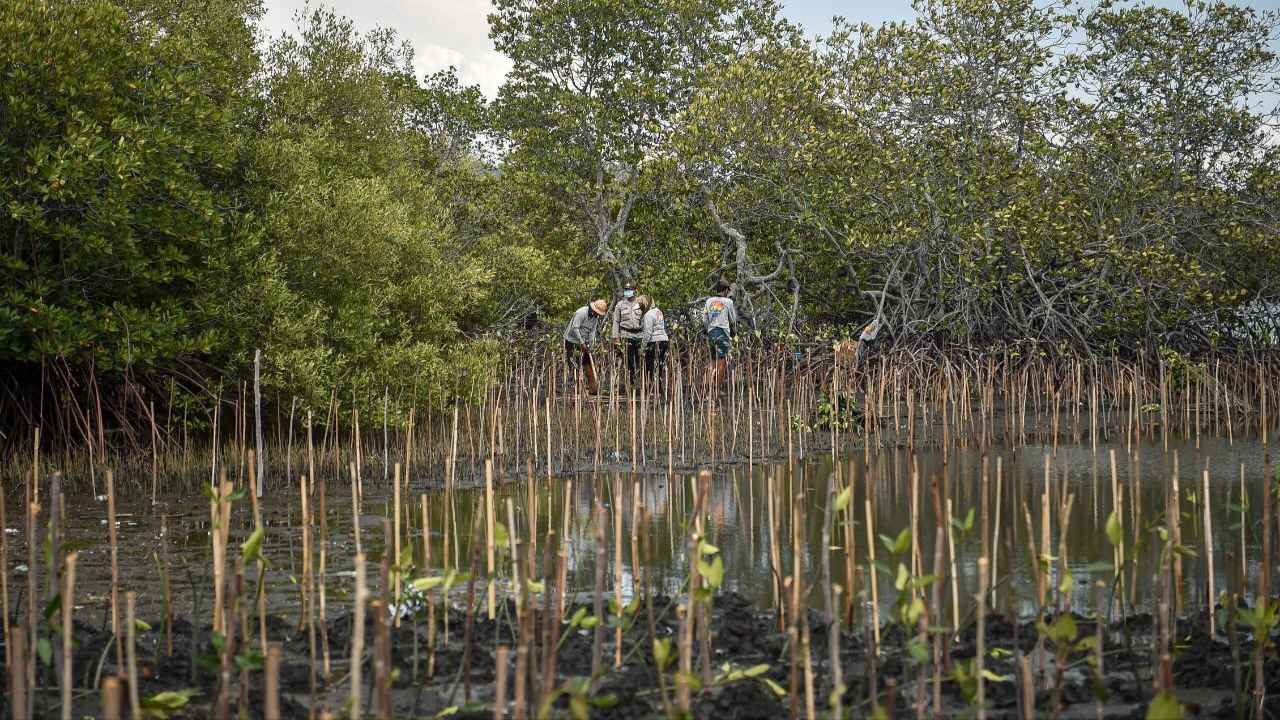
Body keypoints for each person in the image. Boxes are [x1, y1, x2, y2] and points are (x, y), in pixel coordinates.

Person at [564, 299, 608, 394]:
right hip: (572, 341)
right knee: (574, 365)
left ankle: (593, 389)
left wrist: (591, 346)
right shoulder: (581, 313)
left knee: (588, 365)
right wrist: (581, 342)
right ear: (593, 309)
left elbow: (592, 332)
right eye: (597, 313)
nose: (598, 315)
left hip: (585, 342)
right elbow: (575, 328)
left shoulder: (595, 317)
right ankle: (576, 390)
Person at [703, 280, 737, 387]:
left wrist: (709, 330)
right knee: (722, 362)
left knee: (713, 361)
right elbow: (732, 320)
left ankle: (708, 388)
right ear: (726, 290)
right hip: (722, 333)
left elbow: (704, 320)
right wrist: (734, 333)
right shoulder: (728, 302)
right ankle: (717, 389)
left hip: (712, 333)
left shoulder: (709, 301)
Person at [610, 281, 645, 385]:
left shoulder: (641, 303)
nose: (627, 292)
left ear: (635, 291)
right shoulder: (620, 305)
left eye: (629, 290)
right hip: (626, 335)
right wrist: (615, 337)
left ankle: (642, 382)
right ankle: (631, 383)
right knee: (629, 361)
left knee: (641, 359)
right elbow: (616, 321)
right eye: (626, 290)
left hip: (640, 335)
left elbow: (646, 320)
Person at [636, 295, 669, 392]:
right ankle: (658, 389)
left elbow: (647, 333)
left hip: (654, 342)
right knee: (659, 366)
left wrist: (642, 348)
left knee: (650, 367)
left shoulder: (648, 315)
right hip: (663, 340)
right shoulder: (658, 311)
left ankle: (651, 389)